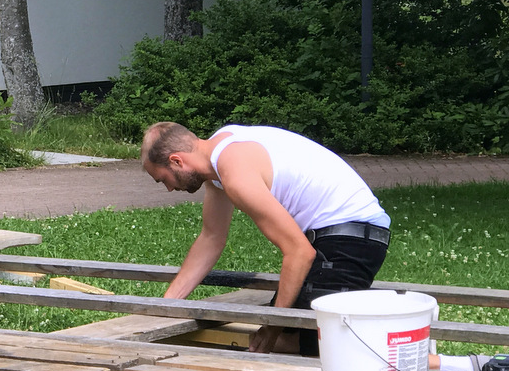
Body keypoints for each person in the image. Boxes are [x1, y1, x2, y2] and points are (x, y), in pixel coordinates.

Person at [141, 122, 391, 355]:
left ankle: (407, 350)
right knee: (272, 338)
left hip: (351, 239)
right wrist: (166, 306)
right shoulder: (220, 153)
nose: (169, 189)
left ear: (176, 161)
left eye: (163, 179)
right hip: (336, 236)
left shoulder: (234, 171)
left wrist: (273, 326)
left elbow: (299, 252)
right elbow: (212, 238)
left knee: (311, 343)